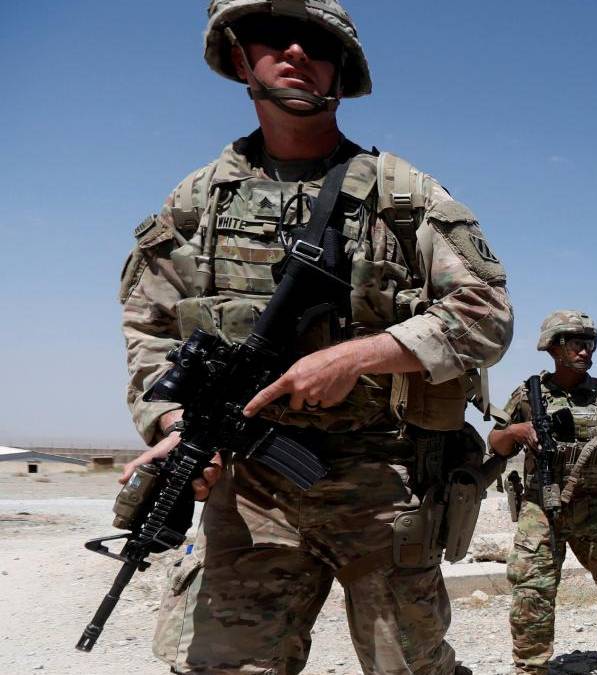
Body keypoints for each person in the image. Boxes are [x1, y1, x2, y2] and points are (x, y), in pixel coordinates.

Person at [116, 2, 513, 672]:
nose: (297, 53)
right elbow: (150, 330)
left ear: (341, 69)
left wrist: (358, 357)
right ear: (240, 57)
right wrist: (176, 423)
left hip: (383, 482)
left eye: (318, 44)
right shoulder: (197, 202)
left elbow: (485, 313)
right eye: (274, 38)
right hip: (251, 489)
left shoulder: (402, 196)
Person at [487, 310, 597, 674]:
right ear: (553, 347)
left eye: (590, 343)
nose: (585, 350)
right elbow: (495, 443)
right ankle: (530, 666)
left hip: (596, 507)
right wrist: (516, 432)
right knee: (532, 589)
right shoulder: (527, 395)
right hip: (540, 507)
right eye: (576, 343)